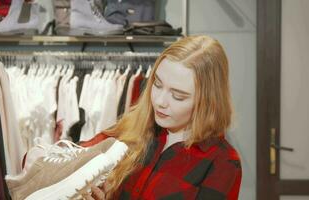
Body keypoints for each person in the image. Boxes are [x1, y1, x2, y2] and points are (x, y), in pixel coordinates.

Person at [81, 35, 242, 200]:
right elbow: (75, 156)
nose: (159, 101)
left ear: (207, 101)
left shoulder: (222, 163)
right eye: (157, 84)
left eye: (178, 96)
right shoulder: (134, 126)